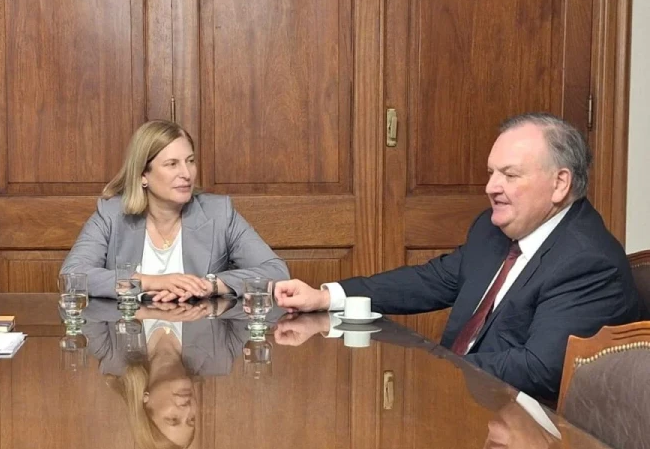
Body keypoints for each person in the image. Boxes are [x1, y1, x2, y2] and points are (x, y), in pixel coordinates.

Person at [274, 113, 646, 401]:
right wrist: (327, 296)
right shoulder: (494, 229)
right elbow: (431, 281)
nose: (491, 187)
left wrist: (434, 368)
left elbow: (540, 368)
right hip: (466, 396)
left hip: (528, 429)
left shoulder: (587, 262)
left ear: (560, 184)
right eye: (491, 173)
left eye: (510, 175)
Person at [61, 120, 289, 302]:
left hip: (200, 341)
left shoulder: (219, 213)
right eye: (172, 164)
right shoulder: (111, 215)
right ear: (143, 175)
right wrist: (152, 282)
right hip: (130, 347)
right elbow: (72, 276)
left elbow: (276, 271)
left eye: (190, 161)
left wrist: (209, 285)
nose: (186, 174)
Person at [82, 297, 249, 449]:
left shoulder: (112, 353)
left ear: (144, 402)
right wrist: (212, 299)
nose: (187, 409)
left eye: (173, 419)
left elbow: (76, 308)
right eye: (191, 419)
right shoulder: (220, 356)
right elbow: (262, 311)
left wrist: (145, 312)